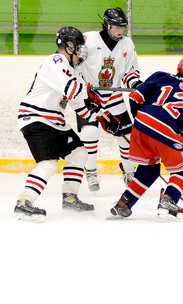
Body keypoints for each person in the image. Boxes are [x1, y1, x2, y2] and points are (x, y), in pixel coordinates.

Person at [97, 57, 183, 219]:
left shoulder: (160, 76)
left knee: (149, 169)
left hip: (142, 123)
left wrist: (141, 121)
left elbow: (135, 98)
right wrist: (174, 146)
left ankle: (124, 203)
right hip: (167, 129)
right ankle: (169, 199)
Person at [15, 26, 102, 221]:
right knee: (48, 164)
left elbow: (78, 104)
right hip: (36, 117)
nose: (81, 51)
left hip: (55, 120)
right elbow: (73, 90)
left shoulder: (73, 68)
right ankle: (24, 202)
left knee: (79, 154)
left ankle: (70, 198)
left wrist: (99, 116)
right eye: (78, 47)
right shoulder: (56, 61)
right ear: (69, 46)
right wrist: (89, 93)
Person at [77, 7, 142, 192]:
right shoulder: (88, 40)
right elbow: (74, 65)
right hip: (89, 96)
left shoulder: (127, 44)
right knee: (90, 134)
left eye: (123, 27)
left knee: (127, 135)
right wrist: (81, 89)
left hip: (113, 96)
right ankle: (90, 172)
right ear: (106, 25)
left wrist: (136, 84)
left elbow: (131, 71)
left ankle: (129, 172)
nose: (120, 31)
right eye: (116, 27)